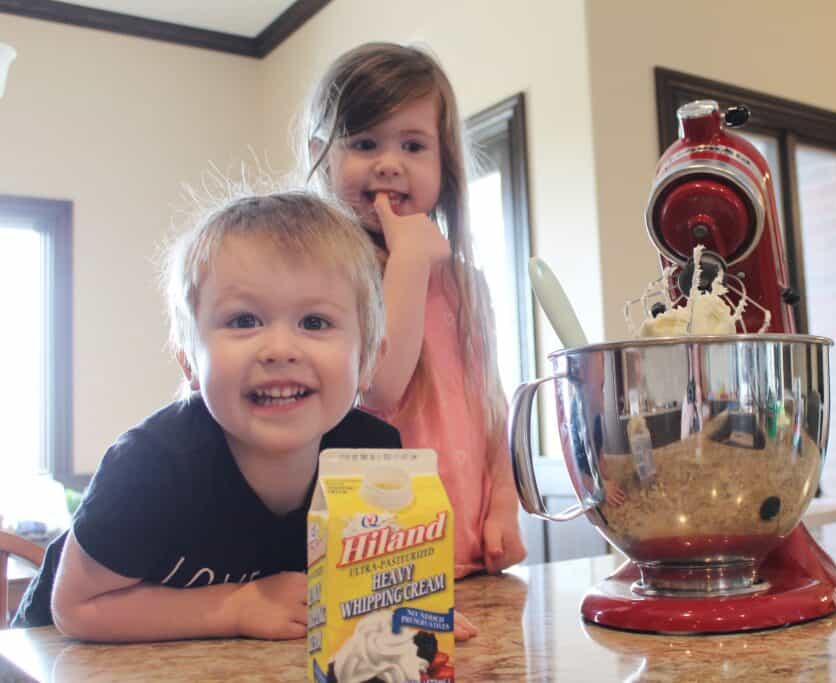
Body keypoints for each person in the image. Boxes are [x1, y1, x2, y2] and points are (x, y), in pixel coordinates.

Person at [13, 191, 406, 642]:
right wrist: (239, 606)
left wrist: (400, 616)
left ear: (369, 360)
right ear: (188, 362)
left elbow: (366, 586)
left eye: (315, 322)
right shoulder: (150, 466)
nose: (279, 350)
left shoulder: (373, 458)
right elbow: (76, 608)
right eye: (243, 321)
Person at [302, 42, 526, 581]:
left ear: (444, 165)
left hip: (468, 561)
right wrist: (407, 260)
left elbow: (491, 406)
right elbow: (378, 389)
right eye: (364, 142)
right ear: (323, 154)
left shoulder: (466, 284)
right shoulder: (324, 275)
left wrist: (503, 506)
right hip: (375, 566)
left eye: (413, 145)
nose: (388, 162)